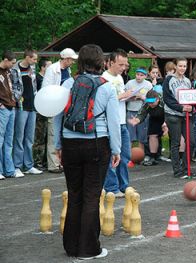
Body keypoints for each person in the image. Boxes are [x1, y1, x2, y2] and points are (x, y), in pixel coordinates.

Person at [53, 44, 121, 259]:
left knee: (75, 195)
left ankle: (71, 246)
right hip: (96, 143)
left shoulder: (68, 83)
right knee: (92, 197)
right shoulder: (106, 87)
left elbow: (58, 116)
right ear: (101, 62)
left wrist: (58, 145)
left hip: (70, 144)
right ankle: (89, 249)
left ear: (80, 61)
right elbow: (113, 122)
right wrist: (116, 149)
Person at [42, 48, 78, 173]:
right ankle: (53, 164)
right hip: (54, 104)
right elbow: (46, 88)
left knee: (61, 133)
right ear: (66, 58)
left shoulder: (67, 70)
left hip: (64, 105)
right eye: (71, 60)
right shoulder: (52, 69)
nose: (73, 62)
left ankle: (60, 161)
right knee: (53, 133)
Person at [102, 49, 131, 198]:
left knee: (125, 156)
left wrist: (130, 96)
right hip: (110, 124)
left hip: (122, 121)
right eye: (120, 64)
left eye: (125, 64)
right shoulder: (103, 78)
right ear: (111, 63)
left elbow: (121, 98)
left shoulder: (120, 77)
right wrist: (123, 95)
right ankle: (111, 187)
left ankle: (124, 186)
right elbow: (106, 100)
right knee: (111, 156)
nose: (123, 67)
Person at [11, 49, 42, 177]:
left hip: (32, 106)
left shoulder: (32, 68)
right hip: (21, 106)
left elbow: (33, 86)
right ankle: (17, 166)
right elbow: (12, 87)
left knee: (29, 138)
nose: (35, 62)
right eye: (34, 59)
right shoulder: (14, 69)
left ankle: (28, 165)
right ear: (28, 57)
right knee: (19, 137)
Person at [163, 57, 195, 178]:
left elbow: (191, 96)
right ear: (175, 66)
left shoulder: (187, 81)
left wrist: (191, 107)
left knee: (191, 141)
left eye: (184, 66)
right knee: (175, 143)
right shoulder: (169, 80)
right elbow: (167, 99)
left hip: (186, 115)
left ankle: (186, 168)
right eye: (180, 66)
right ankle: (177, 171)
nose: (182, 68)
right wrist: (181, 108)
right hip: (173, 115)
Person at [129, 90, 165, 166]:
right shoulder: (147, 104)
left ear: (157, 99)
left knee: (173, 135)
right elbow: (142, 113)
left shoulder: (163, 102)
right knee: (152, 135)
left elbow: (170, 113)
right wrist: (137, 120)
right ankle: (153, 157)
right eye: (149, 102)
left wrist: (166, 123)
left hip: (167, 116)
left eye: (152, 102)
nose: (150, 104)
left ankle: (179, 156)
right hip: (154, 118)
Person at [0, 50, 20, 179]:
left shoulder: (8, 72)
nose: (13, 65)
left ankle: (9, 170)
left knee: (9, 141)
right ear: (5, 60)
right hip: (2, 108)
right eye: (12, 63)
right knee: (0, 139)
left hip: (11, 106)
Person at [125, 67, 153, 150]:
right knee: (130, 136)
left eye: (141, 75)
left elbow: (153, 100)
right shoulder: (129, 83)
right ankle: (129, 158)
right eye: (137, 74)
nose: (139, 77)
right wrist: (130, 98)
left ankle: (140, 157)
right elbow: (123, 97)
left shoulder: (148, 84)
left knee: (142, 137)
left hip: (143, 113)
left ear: (145, 76)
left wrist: (142, 97)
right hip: (131, 111)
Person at [33, 58, 52, 169]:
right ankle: (37, 160)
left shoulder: (48, 79)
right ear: (43, 67)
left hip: (48, 110)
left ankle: (45, 160)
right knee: (39, 137)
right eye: (48, 66)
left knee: (47, 137)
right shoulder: (38, 78)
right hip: (40, 112)